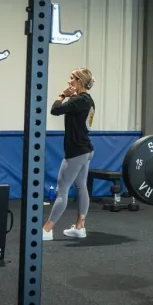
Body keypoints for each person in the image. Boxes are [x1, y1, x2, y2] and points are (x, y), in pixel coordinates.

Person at [43, 68, 96, 241]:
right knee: (81, 187)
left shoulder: (78, 100)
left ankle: (47, 229)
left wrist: (62, 95)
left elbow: (55, 110)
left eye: (72, 78)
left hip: (76, 152)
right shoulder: (88, 100)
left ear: (79, 81)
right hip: (86, 150)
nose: (69, 81)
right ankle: (80, 227)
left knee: (62, 190)